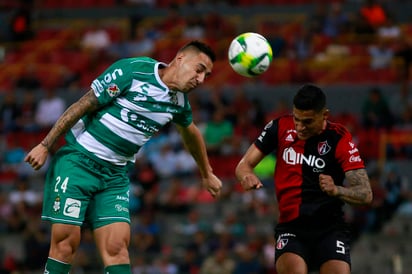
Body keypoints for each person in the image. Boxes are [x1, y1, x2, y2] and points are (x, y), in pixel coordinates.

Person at [24, 40, 223, 274]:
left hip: (114, 176)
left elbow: (191, 133)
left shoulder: (178, 103)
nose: (200, 80)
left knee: (117, 248)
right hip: (78, 162)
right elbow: (84, 104)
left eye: (206, 76)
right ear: (180, 59)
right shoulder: (133, 71)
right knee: (65, 244)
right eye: (199, 70)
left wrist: (207, 173)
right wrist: (45, 144)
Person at [235, 84, 373, 274]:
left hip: (330, 229)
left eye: (307, 122)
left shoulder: (339, 138)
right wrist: (246, 176)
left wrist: (337, 190)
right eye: (296, 119)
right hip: (291, 228)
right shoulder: (279, 127)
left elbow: (366, 194)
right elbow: (243, 165)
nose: (299, 127)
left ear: (324, 115)